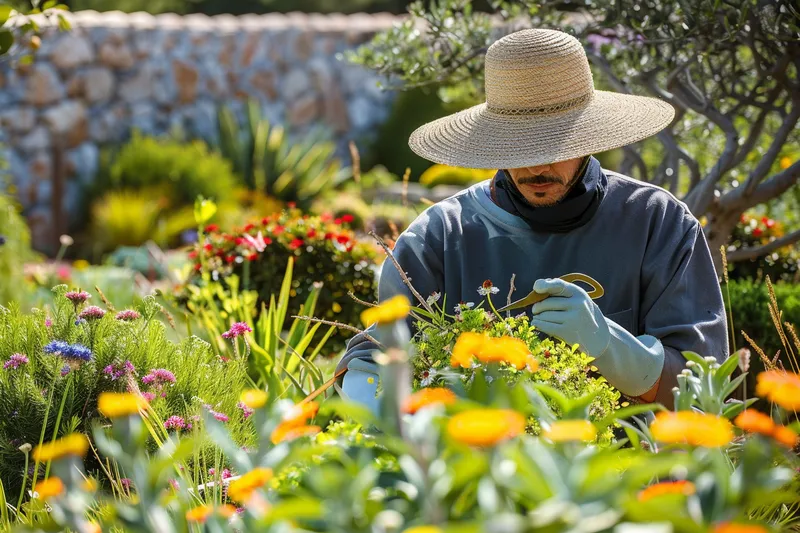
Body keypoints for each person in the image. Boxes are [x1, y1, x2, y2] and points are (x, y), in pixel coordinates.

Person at [335, 28, 728, 412]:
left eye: (557, 144)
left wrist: (611, 347)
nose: (538, 164)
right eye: (519, 144)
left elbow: (703, 390)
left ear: (589, 136)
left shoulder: (657, 222)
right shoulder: (437, 238)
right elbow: (374, 361)